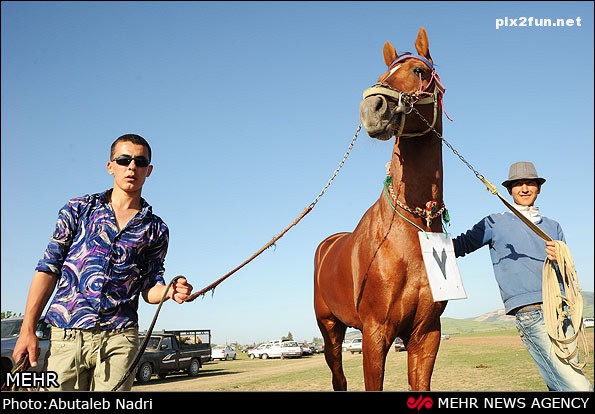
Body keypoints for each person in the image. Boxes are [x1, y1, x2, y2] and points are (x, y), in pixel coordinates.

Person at [12, 133, 193, 391]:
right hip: (67, 335)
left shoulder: (156, 229)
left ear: (149, 170)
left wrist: (169, 291)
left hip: (120, 339)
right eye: (124, 160)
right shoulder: (78, 209)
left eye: (140, 162)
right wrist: (27, 329)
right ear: (110, 166)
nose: (132, 167)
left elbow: (149, 287)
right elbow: (48, 269)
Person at [452, 161, 593, 391]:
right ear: (509, 190)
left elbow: (568, 271)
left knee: (560, 385)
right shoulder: (494, 223)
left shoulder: (554, 226)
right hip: (531, 314)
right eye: (518, 184)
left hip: (562, 310)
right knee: (578, 388)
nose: (525, 188)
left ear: (539, 188)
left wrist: (560, 258)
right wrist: (422, 233)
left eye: (530, 183)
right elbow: (459, 246)